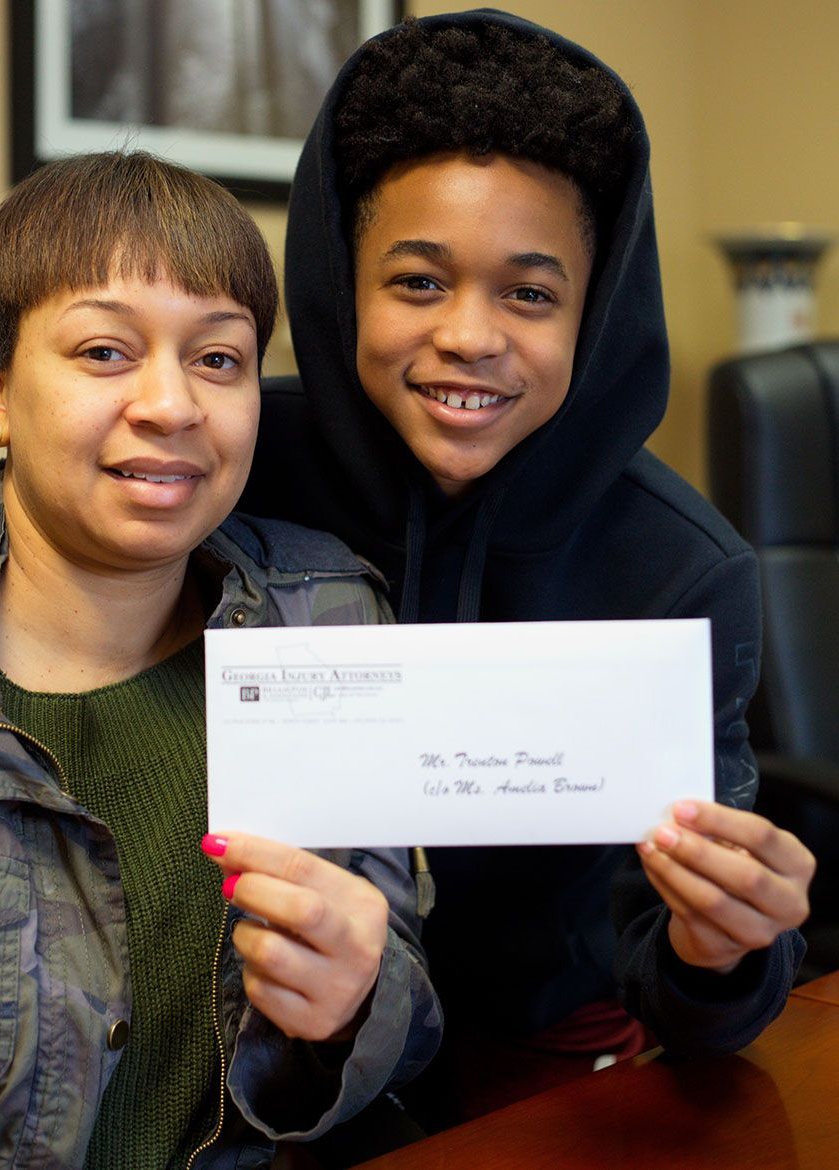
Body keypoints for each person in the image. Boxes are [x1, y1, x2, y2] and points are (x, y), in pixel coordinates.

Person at [240, 8, 815, 1128]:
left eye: (529, 293)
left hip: (535, 1073)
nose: (470, 334)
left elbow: (702, 1011)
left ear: (591, 314)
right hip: (247, 1052)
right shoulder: (234, 481)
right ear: (337, 282)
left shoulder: (679, 568)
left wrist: (720, 951)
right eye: (415, 281)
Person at [0, 151, 440, 1169]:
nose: (172, 406)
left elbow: (406, 1006)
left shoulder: (329, 619)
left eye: (218, 359)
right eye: (105, 353)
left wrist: (351, 1010)